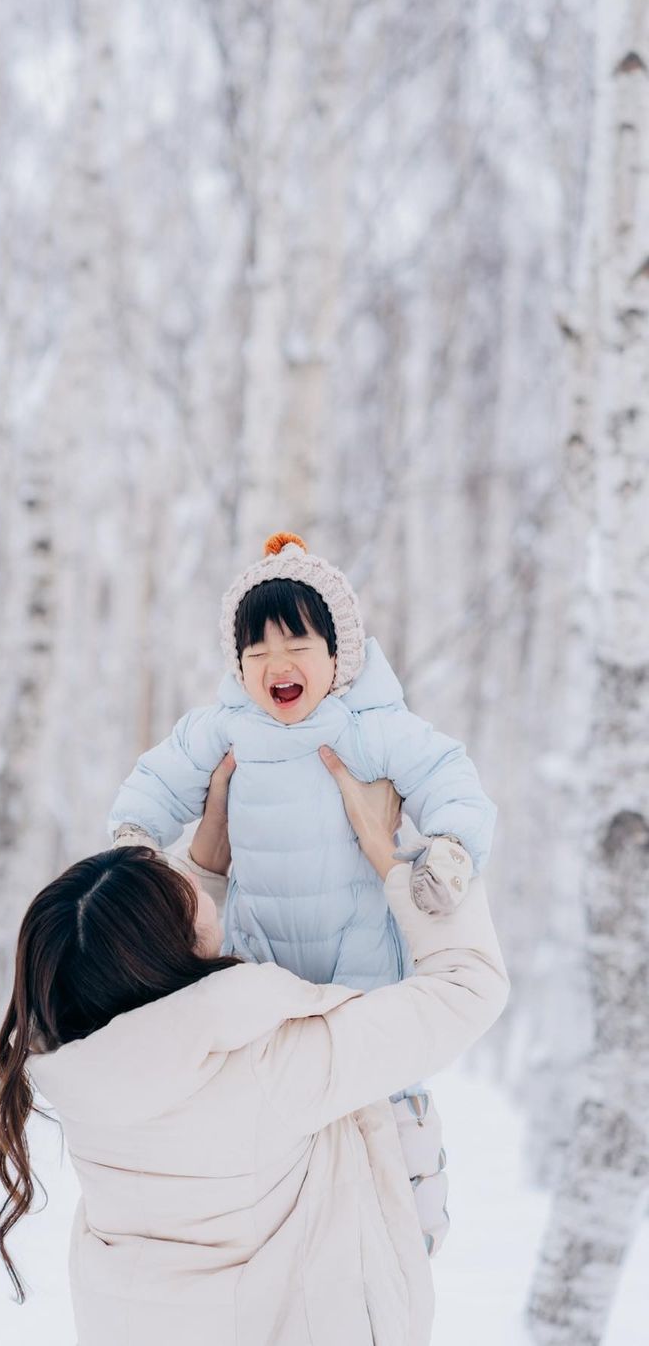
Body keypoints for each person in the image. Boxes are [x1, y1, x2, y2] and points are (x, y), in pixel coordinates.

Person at [0, 749, 509, 1345]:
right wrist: (392, 855)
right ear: (175, 945)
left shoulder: (84, 1078)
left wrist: (206, 862)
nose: (179, 864)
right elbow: (468, 989)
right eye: (171, 882)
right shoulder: (271, 1068)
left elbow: (160, 1000)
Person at [107, 530, 498, 1252]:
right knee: (276, 1121)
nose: (276, 667)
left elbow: (449, 775)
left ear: (337, 656)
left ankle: (414, 1230)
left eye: (296, 648)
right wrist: (135, 835)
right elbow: (162, 775)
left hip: (362, 979)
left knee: (386, 1100)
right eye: (256, 654)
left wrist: (449, 846)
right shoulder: (227, 728)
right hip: (264, 975)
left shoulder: (372, 728)